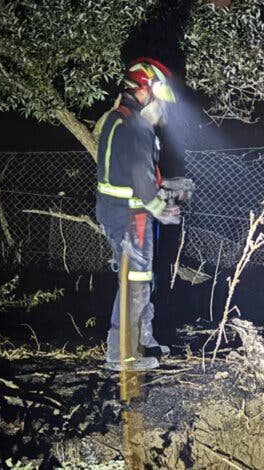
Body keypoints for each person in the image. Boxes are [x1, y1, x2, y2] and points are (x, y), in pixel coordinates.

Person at [95, 57, 181, 371]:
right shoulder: (137, 127)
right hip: (131, 216)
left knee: (141, 279)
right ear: (146, 90)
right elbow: (142, 182)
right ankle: (120, 354)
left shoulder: (117, 119)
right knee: (135, 282)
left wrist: (166, 186)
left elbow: (128, 171)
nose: (162, 108)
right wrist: (165, 210)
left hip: (119, 213)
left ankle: (145, 340)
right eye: (159, 99)